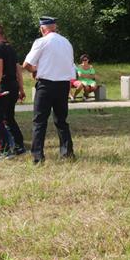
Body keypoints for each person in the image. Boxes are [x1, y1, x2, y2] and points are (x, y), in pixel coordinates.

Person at [22, 16, 76, 165]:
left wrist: (35, 70)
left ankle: (38, 156)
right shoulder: (66, 42)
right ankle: (67, 153)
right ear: (55, 27)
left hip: (46, 85)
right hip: (63, 85)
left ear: (42, 28)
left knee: (39, 122)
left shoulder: (41, 42)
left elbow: (26, 64)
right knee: (61, 121)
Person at [0, 24, 26, 159]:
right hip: (13, 87)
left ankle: (5, 150)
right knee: (9, 118)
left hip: (3, 87)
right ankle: (19, 147)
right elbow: (18, 70)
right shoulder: (10, 48)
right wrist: (21, 88)